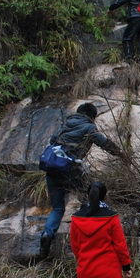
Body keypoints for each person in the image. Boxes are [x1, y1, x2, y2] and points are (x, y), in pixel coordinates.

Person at [40, 103, 122, 258]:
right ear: (92, 116)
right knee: (88, 199)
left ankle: (46, 234)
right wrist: (120, 154)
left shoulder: (64, 126)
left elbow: (52, 141)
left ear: (78, 113)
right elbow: (103, 143)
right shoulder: (88, 127)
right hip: (70, 170)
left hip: (52, 171)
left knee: (57, 208)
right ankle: (86, 238)